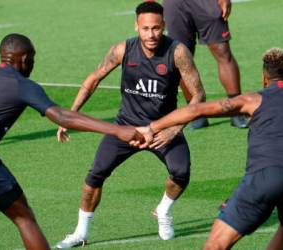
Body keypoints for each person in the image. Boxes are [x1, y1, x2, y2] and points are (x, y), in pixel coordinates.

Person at [56, 1, 205, 248]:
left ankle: (164, 211)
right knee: (95, 174)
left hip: (160, 129)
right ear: (136, 26)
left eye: (156, 28)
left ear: (164, 26)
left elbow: (199, 96)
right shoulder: (123, 49)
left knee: (181, 172)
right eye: (145, 28)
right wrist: (70, 115)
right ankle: (81, 232)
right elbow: (93, 79)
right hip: (125, 128)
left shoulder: (177, 52)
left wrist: (173, 129)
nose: (151, 34)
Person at [136, 47, 283, 249]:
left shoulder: (251, 100)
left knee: (216, 246)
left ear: (264, 78)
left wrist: (152, 127)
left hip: (264, 178)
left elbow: (195, 110)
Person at [0, 33, 142, 250]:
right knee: (23, 217)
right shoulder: (23, 85)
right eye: (33, 60)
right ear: (25, 59)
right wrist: (117, 129)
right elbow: (62, 117)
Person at [162, 0, 248, 129]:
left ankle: (236, 109)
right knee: (179, 57)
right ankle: (195, 113)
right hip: (174, 4)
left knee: (222, 51)